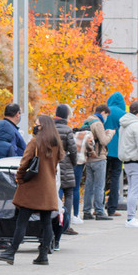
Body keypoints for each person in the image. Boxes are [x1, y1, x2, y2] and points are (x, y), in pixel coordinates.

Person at [0, 115, 63, 265]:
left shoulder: (35, 142)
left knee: (22, 220)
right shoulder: (56, 144)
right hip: (48, 188)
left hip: (32, 187)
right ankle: (43, 255)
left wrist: (19, 179)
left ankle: (11, 252)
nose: (35, 127)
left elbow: (24, 163)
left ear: (42, 126)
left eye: (37, 124)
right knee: (46, 222)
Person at [52, 104, 83, 251]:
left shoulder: (49, 128)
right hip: (66, 164)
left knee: (56, 193)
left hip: (52, 164)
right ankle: (66, 222)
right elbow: (73, 149)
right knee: (69, 193)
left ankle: (55, 220)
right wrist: (73, 162)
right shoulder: (67, 130)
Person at [81, 105, 111, 221]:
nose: (106, 117)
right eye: (106, 115)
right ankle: (99, 211)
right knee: (99, 186)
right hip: (99, 157)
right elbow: (103, 141)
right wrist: (110, 134)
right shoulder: (98, 123)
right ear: (103, 112)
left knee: (89, 185)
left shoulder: (88, 121)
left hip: (89, 158)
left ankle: (86, 211)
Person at [103, 92, 127, 215]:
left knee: (101, 179)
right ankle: (112, 208)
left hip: (104, 150)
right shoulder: (124, 115)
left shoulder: (105, 112)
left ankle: (99, 207)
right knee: (115, 179)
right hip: (118, 151)